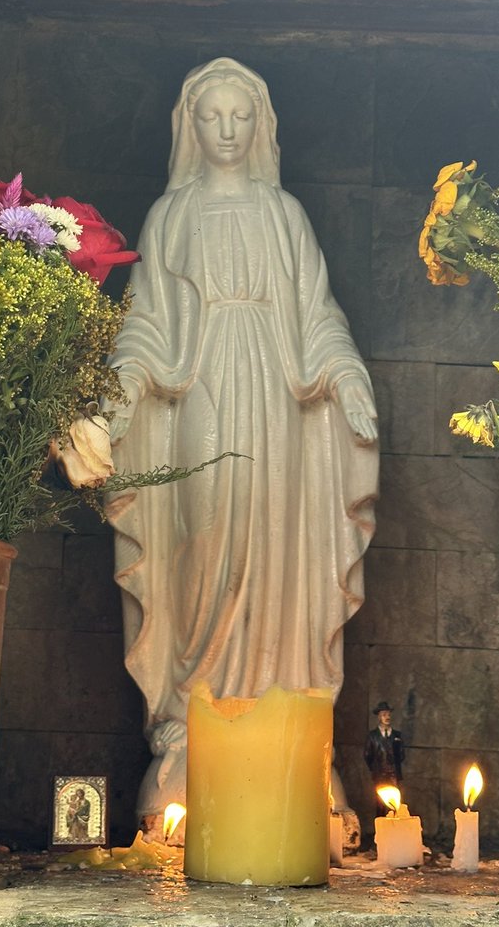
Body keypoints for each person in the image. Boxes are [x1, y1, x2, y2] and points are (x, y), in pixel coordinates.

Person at [104, 57, 379, 817]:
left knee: (278, 543)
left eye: (240, 117)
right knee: (203, 541)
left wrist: (346, 375)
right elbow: (145, 324)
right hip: (200, 389)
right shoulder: (173, 215)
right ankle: (193, 726)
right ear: (189, 127)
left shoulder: (284, 213)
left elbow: (319, 316)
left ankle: (284, 735)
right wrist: (127, 380)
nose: (226, 132)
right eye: (211, 117)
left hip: (280, 397)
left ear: (260, 127)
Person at [364, 700, 405, 807]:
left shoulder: (397, 735)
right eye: (384, 715)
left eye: (388, 714)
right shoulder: (372, 736)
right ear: (379, 717)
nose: (387, 717)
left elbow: (401, 754)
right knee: (380, 803)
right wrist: (375, 767)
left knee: (396, 803)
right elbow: (367, 754)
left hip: (394, 773)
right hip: (380, 773)